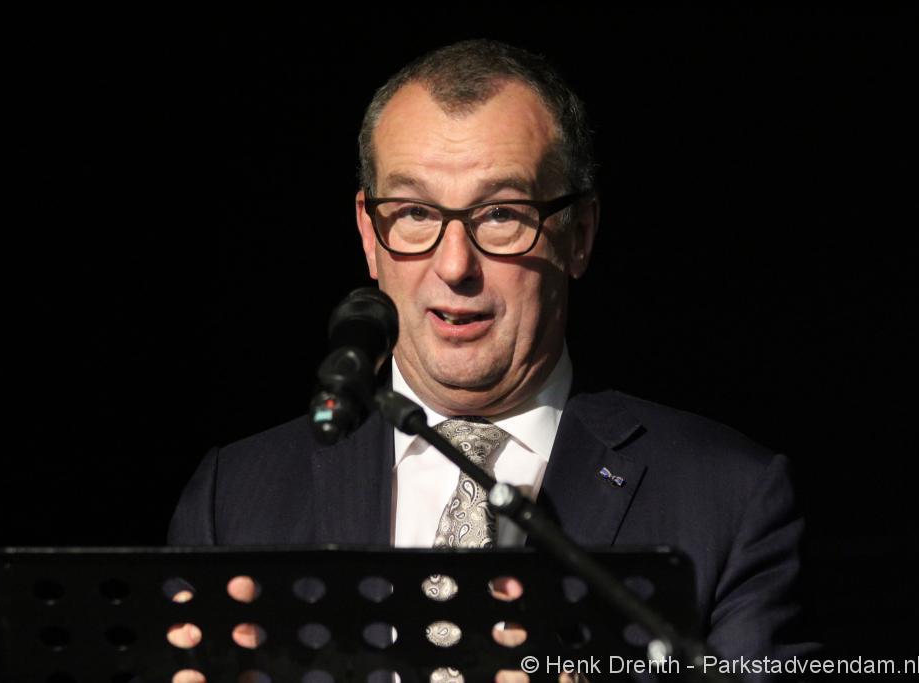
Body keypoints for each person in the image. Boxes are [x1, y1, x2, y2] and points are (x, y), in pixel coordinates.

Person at [170, 39, 816, 681]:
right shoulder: (233, 500)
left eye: (501, 213)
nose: (455, 265)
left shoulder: (729, 500)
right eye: (415, 212)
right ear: (369, 233)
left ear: (579, 234)